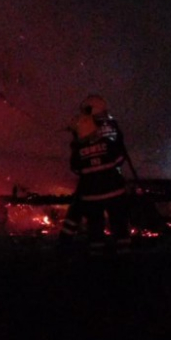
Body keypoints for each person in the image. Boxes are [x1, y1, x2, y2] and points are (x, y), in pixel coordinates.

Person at [58, 94, 133, 257]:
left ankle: (94, 256)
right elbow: (119, 158)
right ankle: (124, 257)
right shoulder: (109, 136)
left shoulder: (79, 149)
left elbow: (76, 168)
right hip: (114, 190)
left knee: (95, 227)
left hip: (90, 195)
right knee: (119, 224)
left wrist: (80, 149)